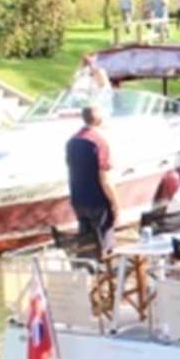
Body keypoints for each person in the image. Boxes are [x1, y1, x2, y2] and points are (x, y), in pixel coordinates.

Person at [66, 104, 119, 252]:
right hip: (97, 201)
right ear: (99, 120)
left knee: (87, 243)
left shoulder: (72, 141)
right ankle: (105, 268)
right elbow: (106, 180)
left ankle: (89, 271)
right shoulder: (100, 142)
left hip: (78, 200)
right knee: (105, 245)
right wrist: (116, 204)